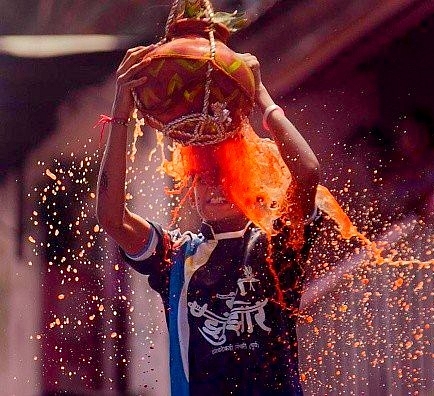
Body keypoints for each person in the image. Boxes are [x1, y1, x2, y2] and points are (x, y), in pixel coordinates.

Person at [96, 45, 321, 395]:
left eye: (223, 175)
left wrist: (260, 95)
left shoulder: (276, 244)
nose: (212, 187)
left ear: (246, 176)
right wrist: (120, 113)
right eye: (202, 177)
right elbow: (112, 219)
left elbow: (307, 172)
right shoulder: (175, 256)